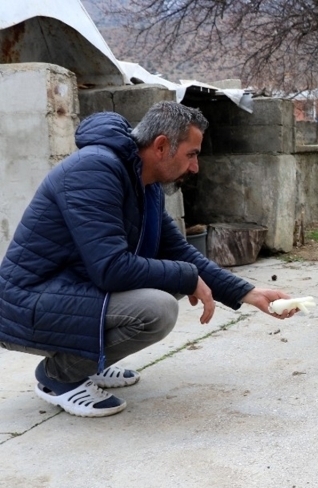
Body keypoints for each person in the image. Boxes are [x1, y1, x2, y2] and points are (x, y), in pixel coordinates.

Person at [0, 101, 295, 418]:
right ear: (161, 146)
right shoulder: (93, 170)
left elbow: (179, 251)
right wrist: (186, 277)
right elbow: (111, 269)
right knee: (158, 308)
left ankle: (88, 360)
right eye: (191, 154)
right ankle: (59, 376)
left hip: (68, 292)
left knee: (176, 281)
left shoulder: (146, 183)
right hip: (25, 302)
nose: (195, 167)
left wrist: (247, 292)